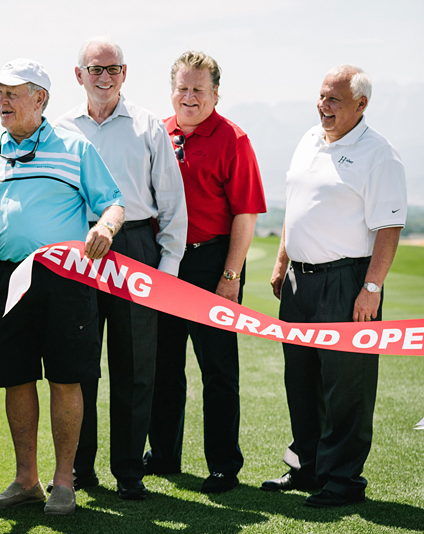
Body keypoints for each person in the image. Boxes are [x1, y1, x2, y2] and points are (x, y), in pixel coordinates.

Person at [0, 58, 125, 516]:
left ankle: (63, 483)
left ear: (39, 98)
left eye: (11, 93)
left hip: (65, 277)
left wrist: (104, 227)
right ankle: (27, 480)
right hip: (7, 278)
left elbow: (113, 204)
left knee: (66, 376)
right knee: (16, 378)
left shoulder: (74, 147)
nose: (1, 101)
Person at [262, 65, 406, 508]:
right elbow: (295, 205)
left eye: (334, 100)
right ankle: (308, 468)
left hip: (347, 283)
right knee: (300, 379)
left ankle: (343, 482)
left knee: (347, 386)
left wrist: (372, 287)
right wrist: (282, 258)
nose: (323, 107)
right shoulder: (308, 140)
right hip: (298, 282)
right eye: (322, 97)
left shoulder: (379, 154)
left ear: (361, 105)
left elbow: (389, 226)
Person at [54, 37, 187, 500]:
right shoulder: (60, 129)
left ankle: (129, 471)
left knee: (135, 367)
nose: (104, 77)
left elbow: (172, 203)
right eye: (96, 69)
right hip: (80, 250)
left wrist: (166, 270)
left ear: (124, 74)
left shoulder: (149, 126)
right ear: (79, 76)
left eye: (113, 69)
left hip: (135, 248)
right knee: (80, 365)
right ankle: (81, 470)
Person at [145, 51, 266, 494]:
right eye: (183, 88)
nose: (189, 97)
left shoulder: (234, 139)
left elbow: (246, 213)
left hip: (214, 262)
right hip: (166, 262)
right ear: (172, 90)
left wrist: (230, 277)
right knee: (164, 366)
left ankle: (222, 467)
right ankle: (163, 456)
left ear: (216, 93)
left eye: (199, 89)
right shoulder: (157, 132)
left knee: (217, 371)